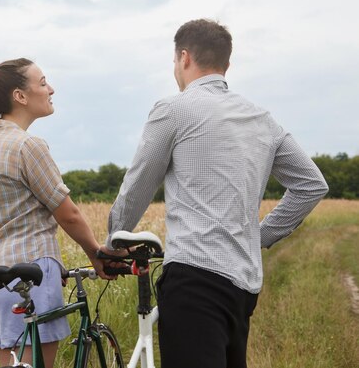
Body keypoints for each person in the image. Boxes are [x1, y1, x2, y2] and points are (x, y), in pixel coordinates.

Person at [101, 19, 329, 368]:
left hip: (194, 278)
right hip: (244, 286)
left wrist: (112, 243)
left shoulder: (173, 110)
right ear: (227, 64)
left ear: (184, 57)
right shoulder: (262, 119)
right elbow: (311, 184)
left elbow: (136, 189)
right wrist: (258, 236)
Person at [0, 58, 109, 368]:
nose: (50, 89)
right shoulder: (27, 145)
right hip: (32, 272)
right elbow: (68, 214)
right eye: (42, 83)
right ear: (20, 96)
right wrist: (95, 252)